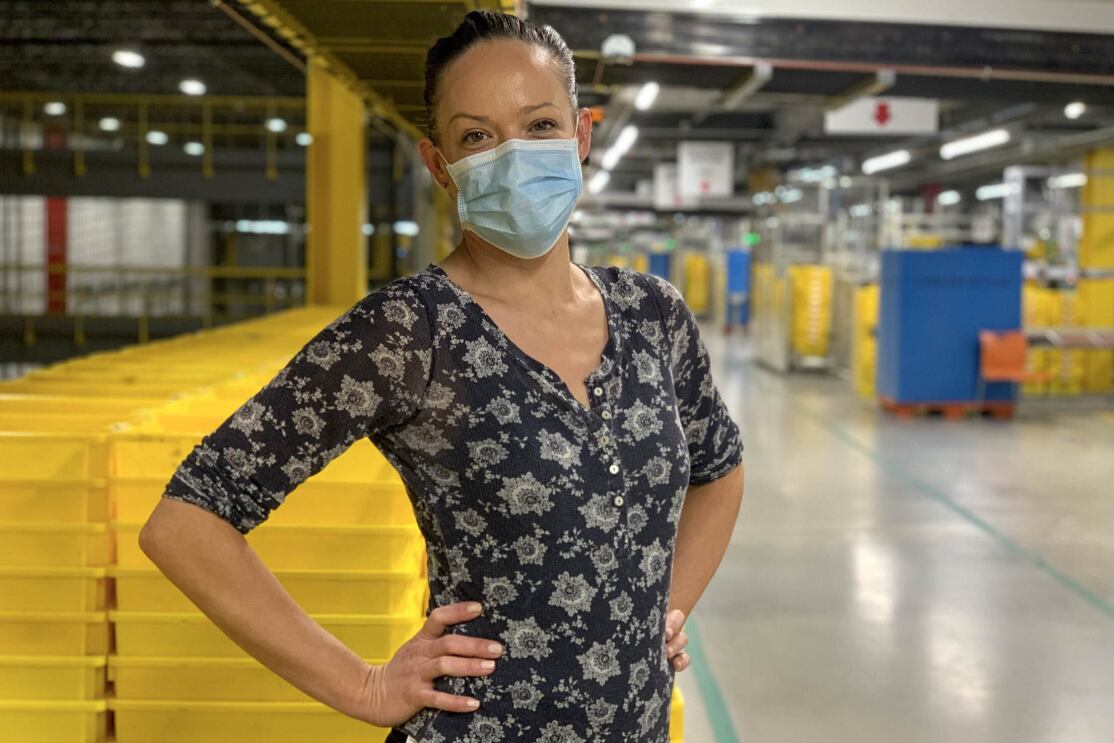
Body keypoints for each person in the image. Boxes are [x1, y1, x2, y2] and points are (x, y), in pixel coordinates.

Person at [140, 9, 744, 743]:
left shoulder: (653, 314)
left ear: (581, 136)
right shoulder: (408, 332)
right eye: (478, 137)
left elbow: (720, 467)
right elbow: (186, 519)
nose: (514, 156)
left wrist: (662, 610)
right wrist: (361, 683)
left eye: (540, 125)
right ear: (440, 165)